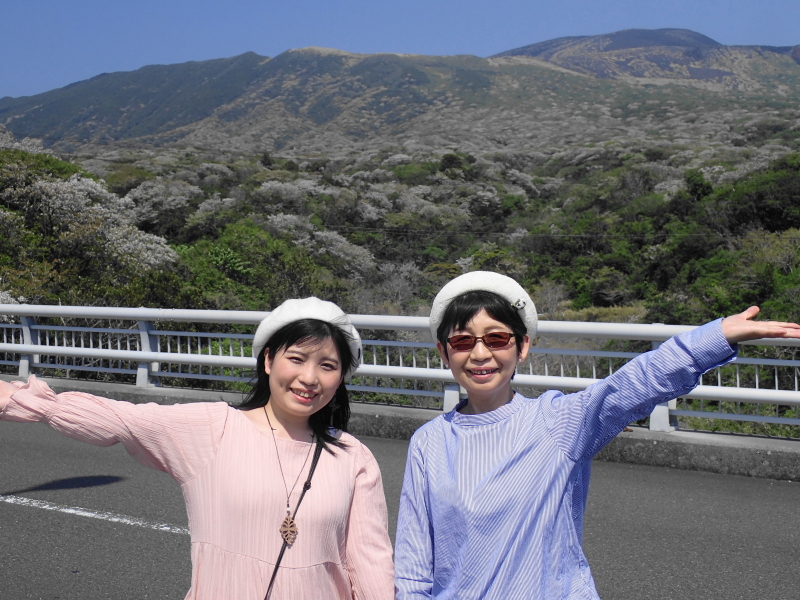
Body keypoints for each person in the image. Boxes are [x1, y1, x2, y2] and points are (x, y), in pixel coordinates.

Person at [394, 271, 800, 600]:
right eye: (463, 341)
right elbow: (414, 567)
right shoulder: (429, 442)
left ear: (522, 347)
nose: (480, 354)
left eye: (497, 338)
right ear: (444, 353)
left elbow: (631, 386)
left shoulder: (558, 422)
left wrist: (714, 337)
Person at [0, 297, 394, 600]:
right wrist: (21, 401)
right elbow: (122, 419)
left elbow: (370, 560)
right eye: (297, 359)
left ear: (341, 376)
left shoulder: (351, 456)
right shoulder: (214, 427)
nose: (310, 377)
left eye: (327, 365)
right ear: (269, 361)